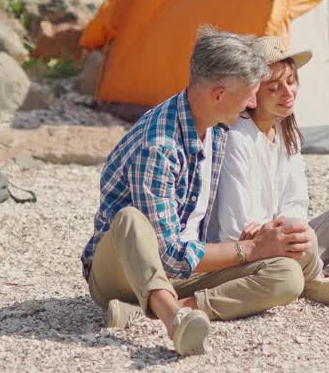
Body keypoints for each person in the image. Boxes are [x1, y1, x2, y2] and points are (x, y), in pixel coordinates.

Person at [81, 27, 312, 357]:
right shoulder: (158, 146)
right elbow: (169, 254)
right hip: (123, 273)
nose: (252, 103)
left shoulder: (217, 128)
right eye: (249, 94)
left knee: (286, 276)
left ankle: (149, 310)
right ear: (218, 95)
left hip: (187, 271)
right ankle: (174, 319)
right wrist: (251, 248)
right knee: (131, 220)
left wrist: (265, 244)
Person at [210, 37, 329, 308]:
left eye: (291, 81)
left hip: (287, 242)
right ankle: (317, 281)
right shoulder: (237, 138)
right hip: (248, 254)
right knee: (292, 245)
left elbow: (296, 202)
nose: (288, 93)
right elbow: (236, 229)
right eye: (274, 88)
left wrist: (289, 227)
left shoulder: (285, 131)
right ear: (251, 95)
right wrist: (282, 231)